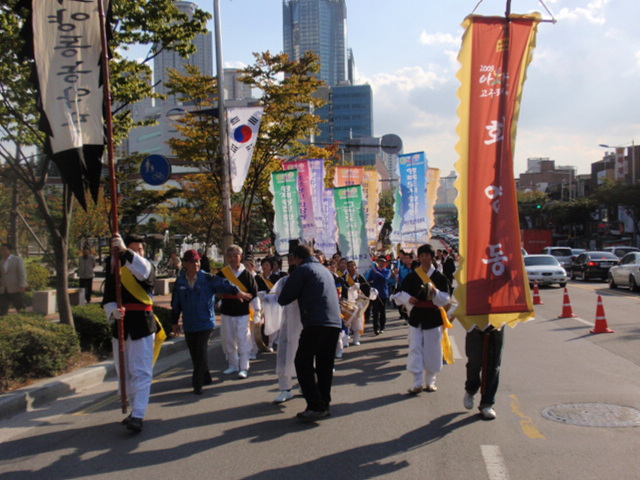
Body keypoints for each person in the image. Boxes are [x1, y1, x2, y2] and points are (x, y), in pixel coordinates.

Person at [171, 250, 252, 395]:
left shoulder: (207, 278)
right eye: (192, 261)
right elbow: (176, 303)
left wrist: (237, 291)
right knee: (195, 353)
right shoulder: (180, 282)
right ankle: (206, 376)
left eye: (197, 261)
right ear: (185, 264)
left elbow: (224, 284)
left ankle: (197, 383)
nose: (195, 264)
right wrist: (174, 321)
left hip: (205, 322)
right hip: (189, 323)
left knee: (201, 351)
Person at [278, 244, 342, 422]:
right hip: (334, 322)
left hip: (315, 322)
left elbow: (284, 297)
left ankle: (315, 405)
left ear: (297, 258)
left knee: (302, 362)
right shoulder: (324, 270)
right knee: (324, 365)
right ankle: (324, 403)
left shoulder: (303, 270)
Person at [102, 234, 159, 433]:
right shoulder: (115, 270)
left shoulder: (147, 267)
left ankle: (138, 415)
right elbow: (108, 298)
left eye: (139, 249)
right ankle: (135, 409)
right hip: (121, 326)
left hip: (142, 325)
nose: (136, 252)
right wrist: (112, 311)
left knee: (141, 371)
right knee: (124, 372)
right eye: (131, 248)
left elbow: (143, 273)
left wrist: (126, 252)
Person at [400, 244, 450, 394]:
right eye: (422, 255)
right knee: (415, 347)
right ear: (419, 257)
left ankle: (430, 381)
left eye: (427, 255)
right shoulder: (412, 276)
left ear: (432, 256)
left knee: (433, 348)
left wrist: (435, 293)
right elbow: (401, 293)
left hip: (433, 316)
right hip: (416, 316)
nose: (424, 258)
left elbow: (446, 298)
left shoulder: (440, 278)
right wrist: (409, 299)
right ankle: (417, 382)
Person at [217, 245, 258, 379]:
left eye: (236, 255)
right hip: (227, 311)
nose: (233, 258)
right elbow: (216, 289)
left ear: (240, 257)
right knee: (228, 339)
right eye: (230, 256)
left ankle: (244, 367)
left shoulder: (246, 274)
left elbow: (253, 292)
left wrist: (254, 309)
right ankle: (233, 364)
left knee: (243, 339)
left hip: (242, 312)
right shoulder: (222, 273)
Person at [463, 325, 504, 419]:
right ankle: (471, 389)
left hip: (498, 322)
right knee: (474, 362)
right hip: (475, 322)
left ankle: (487, 403)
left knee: (494, 364)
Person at [342, 260, 370, 345]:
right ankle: (345, 340)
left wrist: (360, 292)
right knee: (347, 321)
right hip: (348, 302)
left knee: (358, 321)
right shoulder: (344, 278)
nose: (351, 268)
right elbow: (343, 289)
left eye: (352, 266)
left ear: (356, 267)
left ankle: (356, 339)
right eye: (349, 266)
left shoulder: (360, 278)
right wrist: (350, 290)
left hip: (358, 302)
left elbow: (366, 289)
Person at [366, 256, 392, 335]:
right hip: (374, 294)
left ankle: (382, 327)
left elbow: (385, 278)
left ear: (386, 263)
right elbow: (369, 280)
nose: (381, 263)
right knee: (375, 312)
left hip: (383, 293)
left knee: (382, 311)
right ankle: (376, 328)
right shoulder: (373, 271)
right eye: (380, 261)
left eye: (383, 262)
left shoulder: (387, 271)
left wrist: (377, 273)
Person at [0, 243, 27, 315]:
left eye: (4, 250)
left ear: (10, 251)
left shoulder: (17, 260)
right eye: (2, 250)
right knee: (3, 308)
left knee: (20, 307)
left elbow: (22, 273)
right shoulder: (2, 262)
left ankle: (25, 321)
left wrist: (22, 285)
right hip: (4, 289)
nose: (2, 251)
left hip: (16, 288)